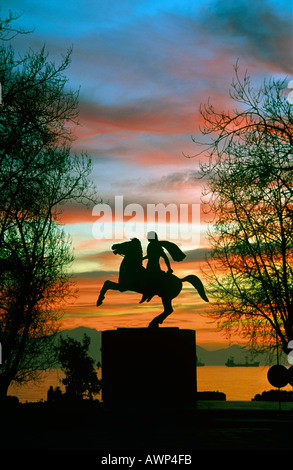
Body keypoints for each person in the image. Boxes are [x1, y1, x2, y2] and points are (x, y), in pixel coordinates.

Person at [140, 231, 186, 303]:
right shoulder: (150, 245)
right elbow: (149, 255)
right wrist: (142, 258)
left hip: (155, 267)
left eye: (148, 236)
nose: (147, 238)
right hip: (149, 266)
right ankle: (148, 293)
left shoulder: (157, 246)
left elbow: (165, 257)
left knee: (150, 279)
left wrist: (169, 268)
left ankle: (149, 293)